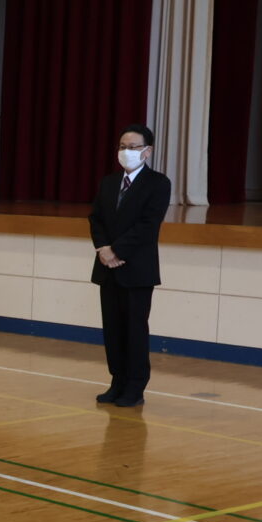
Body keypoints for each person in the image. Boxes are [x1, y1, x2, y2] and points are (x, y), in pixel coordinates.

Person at [88, 124, 171, 408]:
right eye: (122, 146)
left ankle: (135, 387)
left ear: (147, 152)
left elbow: (148, 225)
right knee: (112, 329)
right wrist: (103, 249)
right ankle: (117, 381)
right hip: (108, 267)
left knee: (135, 330)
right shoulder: (109, 182)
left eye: (133, 147)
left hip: (136, 269)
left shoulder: (158, 184)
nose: (126, 152)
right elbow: (96, 218)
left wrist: (117, 250)